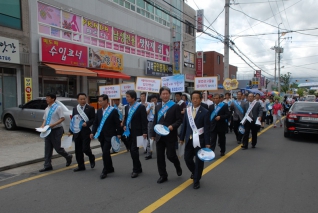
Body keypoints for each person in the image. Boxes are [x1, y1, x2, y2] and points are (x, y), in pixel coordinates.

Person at [180, 91, 210, 189]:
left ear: (201, 99)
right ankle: (195, 172)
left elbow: (207, 128)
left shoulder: (205, 112)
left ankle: (196, 180)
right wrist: (181, 138)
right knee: (187, 158)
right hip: (189, 139)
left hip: (200, 140)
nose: (195, 100)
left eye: (197, 98)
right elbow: (184, 125)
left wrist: (207, 142)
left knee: (199, 161)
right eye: (193, 98)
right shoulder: (188, 111)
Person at [152, 86, 182, 184]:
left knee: (170, 155)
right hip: (159, 136)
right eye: (163, 94)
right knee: (160, 157)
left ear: (169, 94)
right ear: (160, 95)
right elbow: (155, 121)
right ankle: (163, 175)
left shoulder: (175, 106)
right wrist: (153, 134)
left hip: (170, 135)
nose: (165, 95)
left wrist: (172, 127)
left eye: (167, 93)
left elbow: (179, 120)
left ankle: (177, 164)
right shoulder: (157, 107)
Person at [39, 93, 73, 172]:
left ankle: (68, 156)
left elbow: (62, 118)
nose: (46, 99)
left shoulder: (58, 108)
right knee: (47, 148)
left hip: (56, 130)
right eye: (46, 97)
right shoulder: (47, 108)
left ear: (53, 99)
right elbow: (45, 119)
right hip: (47, 130)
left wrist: (53, 124)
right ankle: (47, 165)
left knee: (58, 148)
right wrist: (42, 126)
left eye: (48, 97)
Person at [90, 94, 121, 179]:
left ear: (106, 101)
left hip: (110, 135)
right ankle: (110, 167)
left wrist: (119, 133)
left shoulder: (113, 111)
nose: (99, 102)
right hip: (101, 135)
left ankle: (105, 170)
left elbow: (117, 123)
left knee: (105, 152)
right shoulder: (99, 111)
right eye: (98, 101)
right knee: (105, 152)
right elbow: (96, 123)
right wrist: (93, 132)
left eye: (101, 101)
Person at [123, 90, 148, 178]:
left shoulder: (140, 107)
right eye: (126, 96)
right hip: (129, 132)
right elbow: (126, 118)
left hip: (138, 132)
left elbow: (144, 121)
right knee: (132, 150)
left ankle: (135, 170)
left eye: (128, 97)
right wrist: (125, 125)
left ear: (133, 98)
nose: (126, 98)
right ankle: (139, 167)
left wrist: (145, 132)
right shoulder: (126, 107)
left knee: (134, 150)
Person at [69, 93, 95, 172]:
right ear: (78, 100)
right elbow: (73, 120)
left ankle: (91, 157)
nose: (83, 100)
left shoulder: (90, 108)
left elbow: (93, 119)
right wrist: (70, 131)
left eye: (84, 99)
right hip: (77, 132)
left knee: (85, 149)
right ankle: (81, 166)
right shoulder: (75, 109)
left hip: (86, 132)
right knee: (78, 150)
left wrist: (87, 123)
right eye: (81, 99)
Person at [145, 94, 158, 160]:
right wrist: (150, 108)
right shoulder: (149, 105)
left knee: (158, 138)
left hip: (157, 123)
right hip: (150, 122)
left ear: (156, 100)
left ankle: (159, 152)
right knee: (150, 138)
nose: (154, 101)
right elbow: (146, 113)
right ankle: (149, 154)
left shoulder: (159, 106)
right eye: (152, 100)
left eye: (155, 100)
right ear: (150, 100)